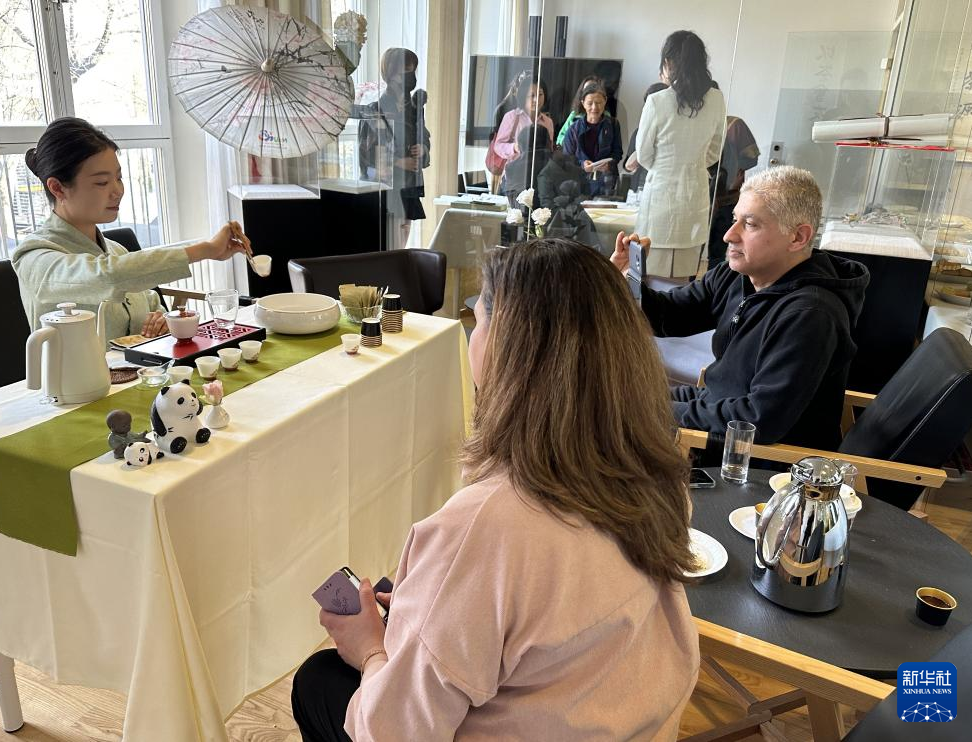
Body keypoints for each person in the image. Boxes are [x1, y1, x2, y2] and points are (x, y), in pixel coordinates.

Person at [291, 240, 700, 741]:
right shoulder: (656, 476)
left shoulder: (487, 527)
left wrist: (370, 650)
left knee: (318, 681)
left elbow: (391, 731)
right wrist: (431, 610)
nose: (471, 333)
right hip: (632, 718)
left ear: (511, 350)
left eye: (478, 318)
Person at [610, 166, 869, 452]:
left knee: (606, 435)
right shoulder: (735, 276)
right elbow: (666, 317)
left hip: (757, 461)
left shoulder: (811, 315)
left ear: (798, 237)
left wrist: (654, 412)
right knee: (609, 401)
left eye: (750, 224)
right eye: (735, 220)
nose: (729, 235)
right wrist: (624, 279)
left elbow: (758, 420)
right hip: (715, 411)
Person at [13, 117, 250, 344]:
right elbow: (106, 276)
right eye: (102, 182)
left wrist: (161, 320)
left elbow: (151, 303)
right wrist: (205, 249)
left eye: (119, 178)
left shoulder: (116, 250)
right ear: (57, 188)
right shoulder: (34, 257)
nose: (117, 191)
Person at [629, 31, 726, 277]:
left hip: (660, 196)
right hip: (695, 195)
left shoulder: (657, 101)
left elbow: (644, 154)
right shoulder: (716, 99)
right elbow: (715, 150)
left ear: (669, 62)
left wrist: (666, 167)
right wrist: (692, 165)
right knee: (686, 275)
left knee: (649, 272)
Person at [357, 47, 430, 249]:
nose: (410, 76)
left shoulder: (414, 109)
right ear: (390, 73)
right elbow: (366, 155)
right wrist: (397, 162)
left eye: (412, 70)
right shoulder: (375, 109)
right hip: (387, 188)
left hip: (409, 185)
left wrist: (422, 148)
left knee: (404, 235)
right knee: (390, 241)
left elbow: (424, 136)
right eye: (405, 71)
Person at [706, 116, 760, 269]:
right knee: (695, 246)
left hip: (725, 196)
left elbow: (751, 159)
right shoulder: (698, 122)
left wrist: (733, 171)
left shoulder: (734, 125)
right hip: (701, 194)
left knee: (718, 245)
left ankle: (714, 280)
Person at [489, 75, 554, 192]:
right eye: (531, 95)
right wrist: (514, 147)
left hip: (540, 178)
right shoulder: (512, 117)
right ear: (523, 96)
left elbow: (549, 148)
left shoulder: (548, 122)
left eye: (540, 94)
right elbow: (498, 146)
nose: (536, 100)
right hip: (515, 178)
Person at [561, 82, 623, 197]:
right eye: (590, 103)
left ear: (605, 101)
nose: (594, 107)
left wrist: (609, 164)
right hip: (579, 183)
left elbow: (618, 152)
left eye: (598, 103)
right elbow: (567, 158)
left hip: (606, 182)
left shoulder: (613, 124)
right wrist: (582, 164)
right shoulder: (574, 129)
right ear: (583, 103)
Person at [622, 82, 669, 193]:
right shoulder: (639, 132)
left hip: (661, 189)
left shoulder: (672, 134)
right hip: (639, 189)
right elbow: (628, 166)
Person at [502, 124, 552, 209]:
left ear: (520, 146)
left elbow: (510, 198)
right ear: (548, 143)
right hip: (551, 215)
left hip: (521, 215)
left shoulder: (510, 168)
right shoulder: (555, 163)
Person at [554, 75, 610, 147]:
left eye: (593, 87)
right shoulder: (575, 114)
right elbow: (560, 137)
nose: (590, 91)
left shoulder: (606, 116)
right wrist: (571, 143)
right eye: (587, 88)